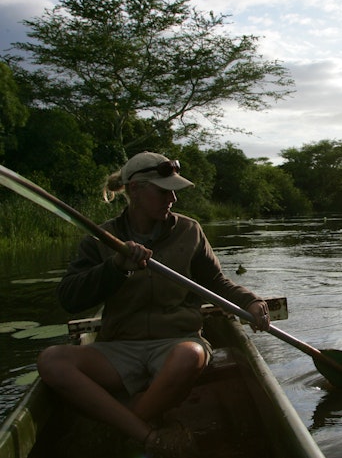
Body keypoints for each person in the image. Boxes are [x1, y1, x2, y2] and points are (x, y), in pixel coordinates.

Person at [36, 151, 271, 458]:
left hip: (175, 343)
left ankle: (123, 428)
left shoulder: (190, 230)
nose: (172, 198)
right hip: (119, 347)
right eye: (163, 190)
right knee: (52, 361)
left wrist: (251, 302)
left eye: (173, 190)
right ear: (134, 190)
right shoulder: (101, 238)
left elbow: (216, 283)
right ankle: (147, 435)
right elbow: (69, 298)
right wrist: (116, 266)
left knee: (191, 355)